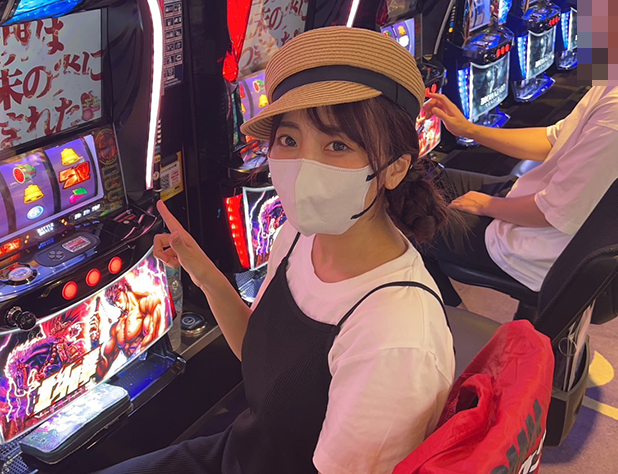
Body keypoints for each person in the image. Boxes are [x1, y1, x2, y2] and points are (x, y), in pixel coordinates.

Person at [94, 26, 454, 474]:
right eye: (289, 140)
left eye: (337, 145)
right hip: (241, 451)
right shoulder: (299, 237)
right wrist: (204, 273)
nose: (304, 166)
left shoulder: (396, 338)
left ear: (394, 168)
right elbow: (261, 355)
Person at [421, 86, 618, 307]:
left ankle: (449, 322)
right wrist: (468, 130)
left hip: (546, 247)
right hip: (543, 202)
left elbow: (554, 211)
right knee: (431, 180)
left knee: (408, 220)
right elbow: (553, 140)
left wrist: (487, 205)